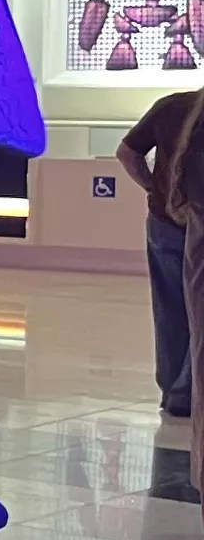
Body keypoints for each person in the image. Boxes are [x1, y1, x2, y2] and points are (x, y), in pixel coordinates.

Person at [118, 88, 201, 418]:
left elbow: (127, 153)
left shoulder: (170, 106)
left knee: (169, 309)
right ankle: (188, 392)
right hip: (197, 226)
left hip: (164, 222)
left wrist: (154, 188)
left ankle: (173, 390)